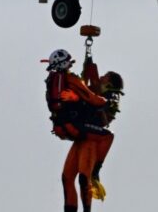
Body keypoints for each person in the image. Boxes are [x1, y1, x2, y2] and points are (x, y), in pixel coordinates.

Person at [44, 48, 124, 211]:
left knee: (74, 177)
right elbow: (90, 92)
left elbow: (90, 90)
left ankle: (95, 171)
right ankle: (94, 172)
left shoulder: (62, 80)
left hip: (80, 133)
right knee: (73, 178)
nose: (100, 78)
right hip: (81, 131)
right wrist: (89, 66)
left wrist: (90, 66)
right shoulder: (75, 82)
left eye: (104, 77)